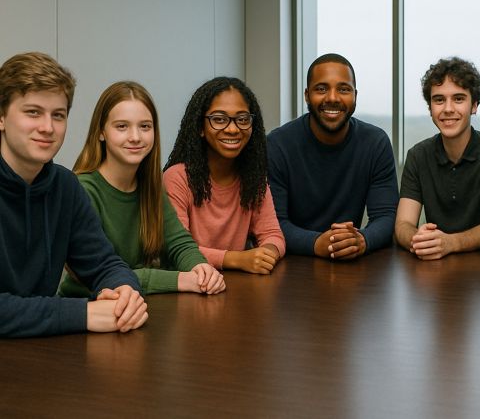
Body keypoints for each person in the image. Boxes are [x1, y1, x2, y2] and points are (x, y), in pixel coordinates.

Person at [0, 52, 147, 337]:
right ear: (2, 117)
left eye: (58, 115)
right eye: (33, 112)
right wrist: (83, 313)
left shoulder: (65, 186)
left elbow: (104, 263)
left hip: (41, 356)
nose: (48, 127)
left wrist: (124, 293)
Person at [58, 81, 225, 296]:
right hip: (87, 308)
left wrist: (201, 270)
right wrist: (181, 279)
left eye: (145, 126)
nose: (135, 137)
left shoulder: (149, 184)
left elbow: (179, 243)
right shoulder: (83, 189)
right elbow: (108, 274)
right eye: (122, 126)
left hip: (138, 305)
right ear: (101, 132)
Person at [267, 53, 398, 259]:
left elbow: (386, 216)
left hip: (354, 266)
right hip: (291, 263)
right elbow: (274, 223)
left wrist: (362, 240)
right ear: (306, 95)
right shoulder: (278, 144)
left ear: (355, 95)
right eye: (321, 89)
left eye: (343, 89)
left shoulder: (375, 142)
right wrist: (315, 243)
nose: (333, 98)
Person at [164, 77, 285, 274]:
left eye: (242, 119)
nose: (232, 128)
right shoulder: (177, 178)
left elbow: (272, 234)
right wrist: (236, 259)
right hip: (189, 286)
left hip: (237, 288)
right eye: (219, 119)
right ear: (200, 127)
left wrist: (266, 253)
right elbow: (176, 250)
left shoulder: (253, 177)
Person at [395, 57, 480, 259]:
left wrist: (450, 242)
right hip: (429, 266)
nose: (448, 109)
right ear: (430, 108)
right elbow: (403, 224)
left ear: (474, 106)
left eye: (458, 99)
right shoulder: (417, 156)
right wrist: (418, 239)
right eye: (439, 100)